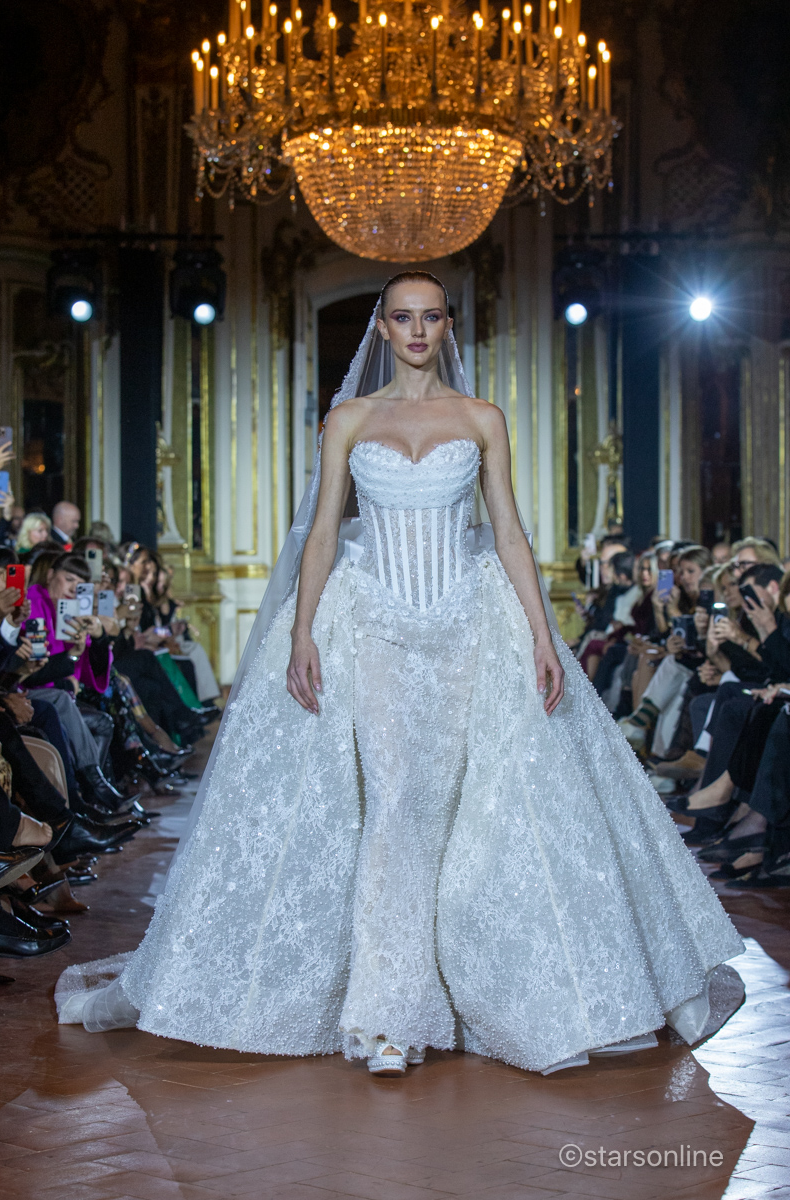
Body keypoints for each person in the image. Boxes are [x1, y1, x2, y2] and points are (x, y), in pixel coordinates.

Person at [57, 272, 743, 1077]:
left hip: (470, 626)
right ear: (381, 328)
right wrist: (302, 631)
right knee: (394, 803)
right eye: (402, 318)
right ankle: (389, 1016)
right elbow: (322, 534)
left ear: (448, 325)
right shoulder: (348, 419)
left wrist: (541, 635)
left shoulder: (481, 418)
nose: (417, 330)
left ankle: (494, 986)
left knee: (484, 806)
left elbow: (509, 533)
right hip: (374, 627)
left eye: (430, 317)